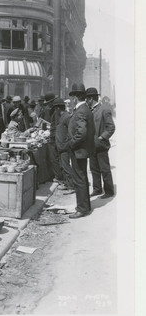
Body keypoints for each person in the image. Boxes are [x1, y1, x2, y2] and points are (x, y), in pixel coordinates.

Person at [67, 83, 96, 218]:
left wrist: (71, 144)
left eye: (72, 96)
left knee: (79, 179)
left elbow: (81, 132)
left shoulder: (81, 110)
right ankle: (85, 206)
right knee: (82, 178)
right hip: (82, 150)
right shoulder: (85, 109)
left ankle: (82, 209)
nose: (72, 99)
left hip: (78, 151)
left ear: (76, 97)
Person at [86, 87, 115, 198]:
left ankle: (109, 191)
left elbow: (111, 127)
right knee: (94, 168)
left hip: (101, 145)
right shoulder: (89, 110)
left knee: (104, 169)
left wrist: (102, 137)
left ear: (91, 98)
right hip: (91, 145)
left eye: (87, 99)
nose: (86, 101)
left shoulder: (104, 110)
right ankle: (97, 189)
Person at [53, 97, 75, 193]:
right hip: (61, 146)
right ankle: (67, 183)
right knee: (63, 166)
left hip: (65, 146)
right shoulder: (62, 117)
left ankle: (71, 186)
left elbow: (71, 132)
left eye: (55, 109)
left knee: (66, 166)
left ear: (58, 108)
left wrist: (67, 143)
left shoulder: (66, 117)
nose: (55, 111)